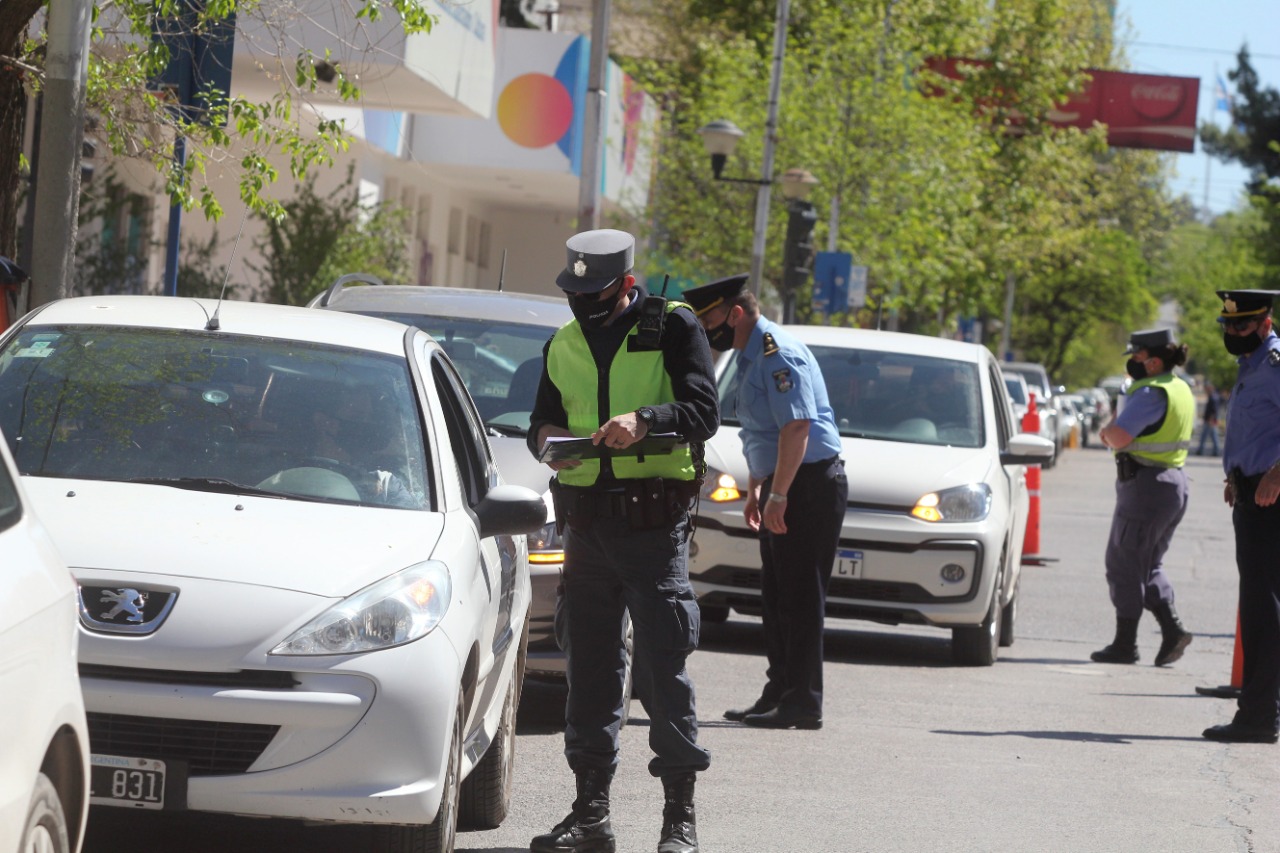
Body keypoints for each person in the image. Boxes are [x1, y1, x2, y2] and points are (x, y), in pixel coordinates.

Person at [527, 229, 719, 852]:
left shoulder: (673, 328)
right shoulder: (563, 343)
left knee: (663, 666)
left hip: (652, 526)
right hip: (584, 526)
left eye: (594, 290)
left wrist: (645, 421)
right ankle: (590, 816)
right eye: (574, 290)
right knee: (589, 668)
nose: (583, 301)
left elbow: (703, 411)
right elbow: (539, 424)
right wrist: (547, 443)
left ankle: (678, 820)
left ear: (625, 284)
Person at [682, 273, 847, 731]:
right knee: (776, 596)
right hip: (786, 478)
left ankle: (804, 701)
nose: (705, 329)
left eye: (709, 319)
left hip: (807, 484)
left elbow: (797, 428)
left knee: (800, 596)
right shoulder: (750, 355)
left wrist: (779, 493)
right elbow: (764, 430)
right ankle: (780, 691)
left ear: (735, 314)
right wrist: (758, 486)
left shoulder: (777, 355)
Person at [1092, 328, 1195, 667]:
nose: (1132, 362)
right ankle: (1171, 630)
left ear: (1153, 362)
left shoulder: (1151, 393)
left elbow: (1119, 436)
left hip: (1146, 486)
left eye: (1136, 356)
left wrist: (1106, 432)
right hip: (1171, 484)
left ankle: (1126, 644)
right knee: (1149, 563)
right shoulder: (1179, 387)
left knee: (1123, 564)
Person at [1204, 289, 1280, 745]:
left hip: (1273, 497)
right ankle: (1263, 708)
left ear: (1265, 323)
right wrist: (1238, 475)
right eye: (1229, 325)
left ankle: (1257, 716)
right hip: (1252, 493)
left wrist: (1274, 474)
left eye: (1242, 325)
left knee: (1262, 609)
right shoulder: (1251, 366)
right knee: (1260, 606)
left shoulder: (1274, 365)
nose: (1233, 332)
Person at [1196, 381, 1222, 456]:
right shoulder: (1213, 396)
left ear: (1210, 388)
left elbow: (1214, 411)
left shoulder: (1213, 397)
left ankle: (1215, 451)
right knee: (1207, 436)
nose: (1205, 390)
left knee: (1213, 437)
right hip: (1209, 420)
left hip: (1210, 421)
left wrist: (1211, 420)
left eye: (1206, 389)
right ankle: (1201, 450)